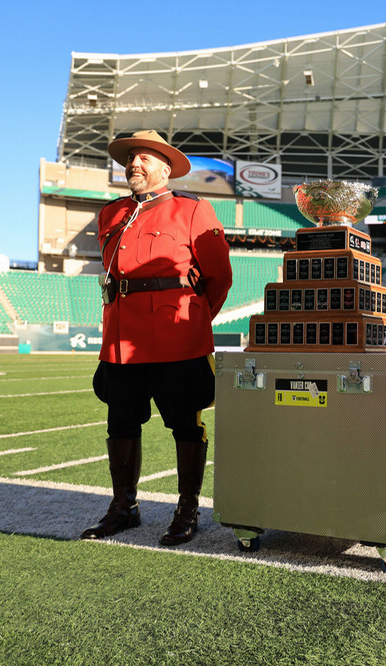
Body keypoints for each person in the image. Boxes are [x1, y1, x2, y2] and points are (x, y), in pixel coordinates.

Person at [82, 130, 233, 546]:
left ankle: (187, 509)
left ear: (165, 168)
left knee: (185, 424)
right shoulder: (110, 214)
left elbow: (219, 279)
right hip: (121, 338)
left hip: (177, 339)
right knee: (121, 422)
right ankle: (124, 507)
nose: (135, 164)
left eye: (145, 158)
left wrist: (192, 320)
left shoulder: (192, 210)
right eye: (131, 158)